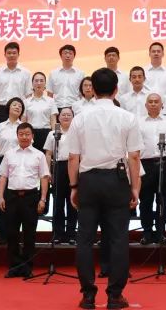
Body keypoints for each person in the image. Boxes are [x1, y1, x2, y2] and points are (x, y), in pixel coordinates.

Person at [65, 68, 142, 310]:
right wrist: (135, 188)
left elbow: (73, 158)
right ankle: (115, 296)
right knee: (118, 239)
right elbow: (134, 157)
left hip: (88, 180)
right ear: (116, 89)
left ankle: (88, 295)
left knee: (84, 239)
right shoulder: (127, 117)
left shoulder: (80, 118)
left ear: (93, 90)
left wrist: (74, 186)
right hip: (116, 180)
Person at [0, 123, 50, 278]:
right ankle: (14, 267)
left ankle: (27, 267)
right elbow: (3, 176)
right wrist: (1, 197)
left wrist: (43, 199)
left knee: (29, 234)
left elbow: (44, 177)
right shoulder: (9, 154)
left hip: (31, 197)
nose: (24, 137)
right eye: (21, 134)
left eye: (27, 134)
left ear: (32, 136)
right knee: (11, 233)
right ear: (17, 136)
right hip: (12, 197)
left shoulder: (39, 155)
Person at [137, 93, 166, 245]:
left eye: (156, 101)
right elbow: (135, 146)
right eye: (150, 102)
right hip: (145, 164)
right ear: (146, 105)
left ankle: (161, 232)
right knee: (145, 201)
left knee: (163, 199)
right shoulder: (138, 122)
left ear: (162, 105)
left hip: (165, 163)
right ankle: (147, 232)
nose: (153, 104)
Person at [0, 97, 24, 244]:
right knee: (2, 198)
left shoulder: (24, 127)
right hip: (2, 162)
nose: (17, 107)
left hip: (19, 162)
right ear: (8, 108)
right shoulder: (0, 126)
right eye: (14, 105)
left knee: (17, 199)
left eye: (20, 106)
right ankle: (2, 234)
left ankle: (14, 234)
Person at [44, 107, 76, 244]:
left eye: (69, 115)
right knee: (58, 202)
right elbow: (48, 154)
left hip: (73, 167)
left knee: (72, 202)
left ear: (73, 118)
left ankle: (71, 234)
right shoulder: (53, 134)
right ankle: (58, 234)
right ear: (59, 117)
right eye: (63, 114)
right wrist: (48, 172)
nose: (66, 117)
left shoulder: (77, 133)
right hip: (58, 167)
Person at [0, 42, 32, 124]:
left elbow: (28, 96)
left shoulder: (26, 73)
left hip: (19, 110)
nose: (11, 55)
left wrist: (25, 115)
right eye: (9, 53)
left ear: (18, 55)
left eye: (14, 53)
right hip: (1, 110)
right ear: (5, 55)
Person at [24, 72, 57, 152]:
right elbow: (23, 121)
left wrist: (54, 136)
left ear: (45, 84)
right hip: (30, 134)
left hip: (46, 134)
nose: (39, 83)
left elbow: (53, 121)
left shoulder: (51, 101)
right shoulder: (26, 102)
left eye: (41, 81)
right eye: (36, 81)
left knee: (46, 157)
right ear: (32, 84)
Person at [48, 44, 85, 109]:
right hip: (57, 107)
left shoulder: (80, 73)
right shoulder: (53, 73)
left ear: (74, 56)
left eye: (70, 53)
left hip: (75, 108)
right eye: (65, 53)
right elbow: (50, 94)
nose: (68, 56)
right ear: (61, 56)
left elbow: (82, 94)